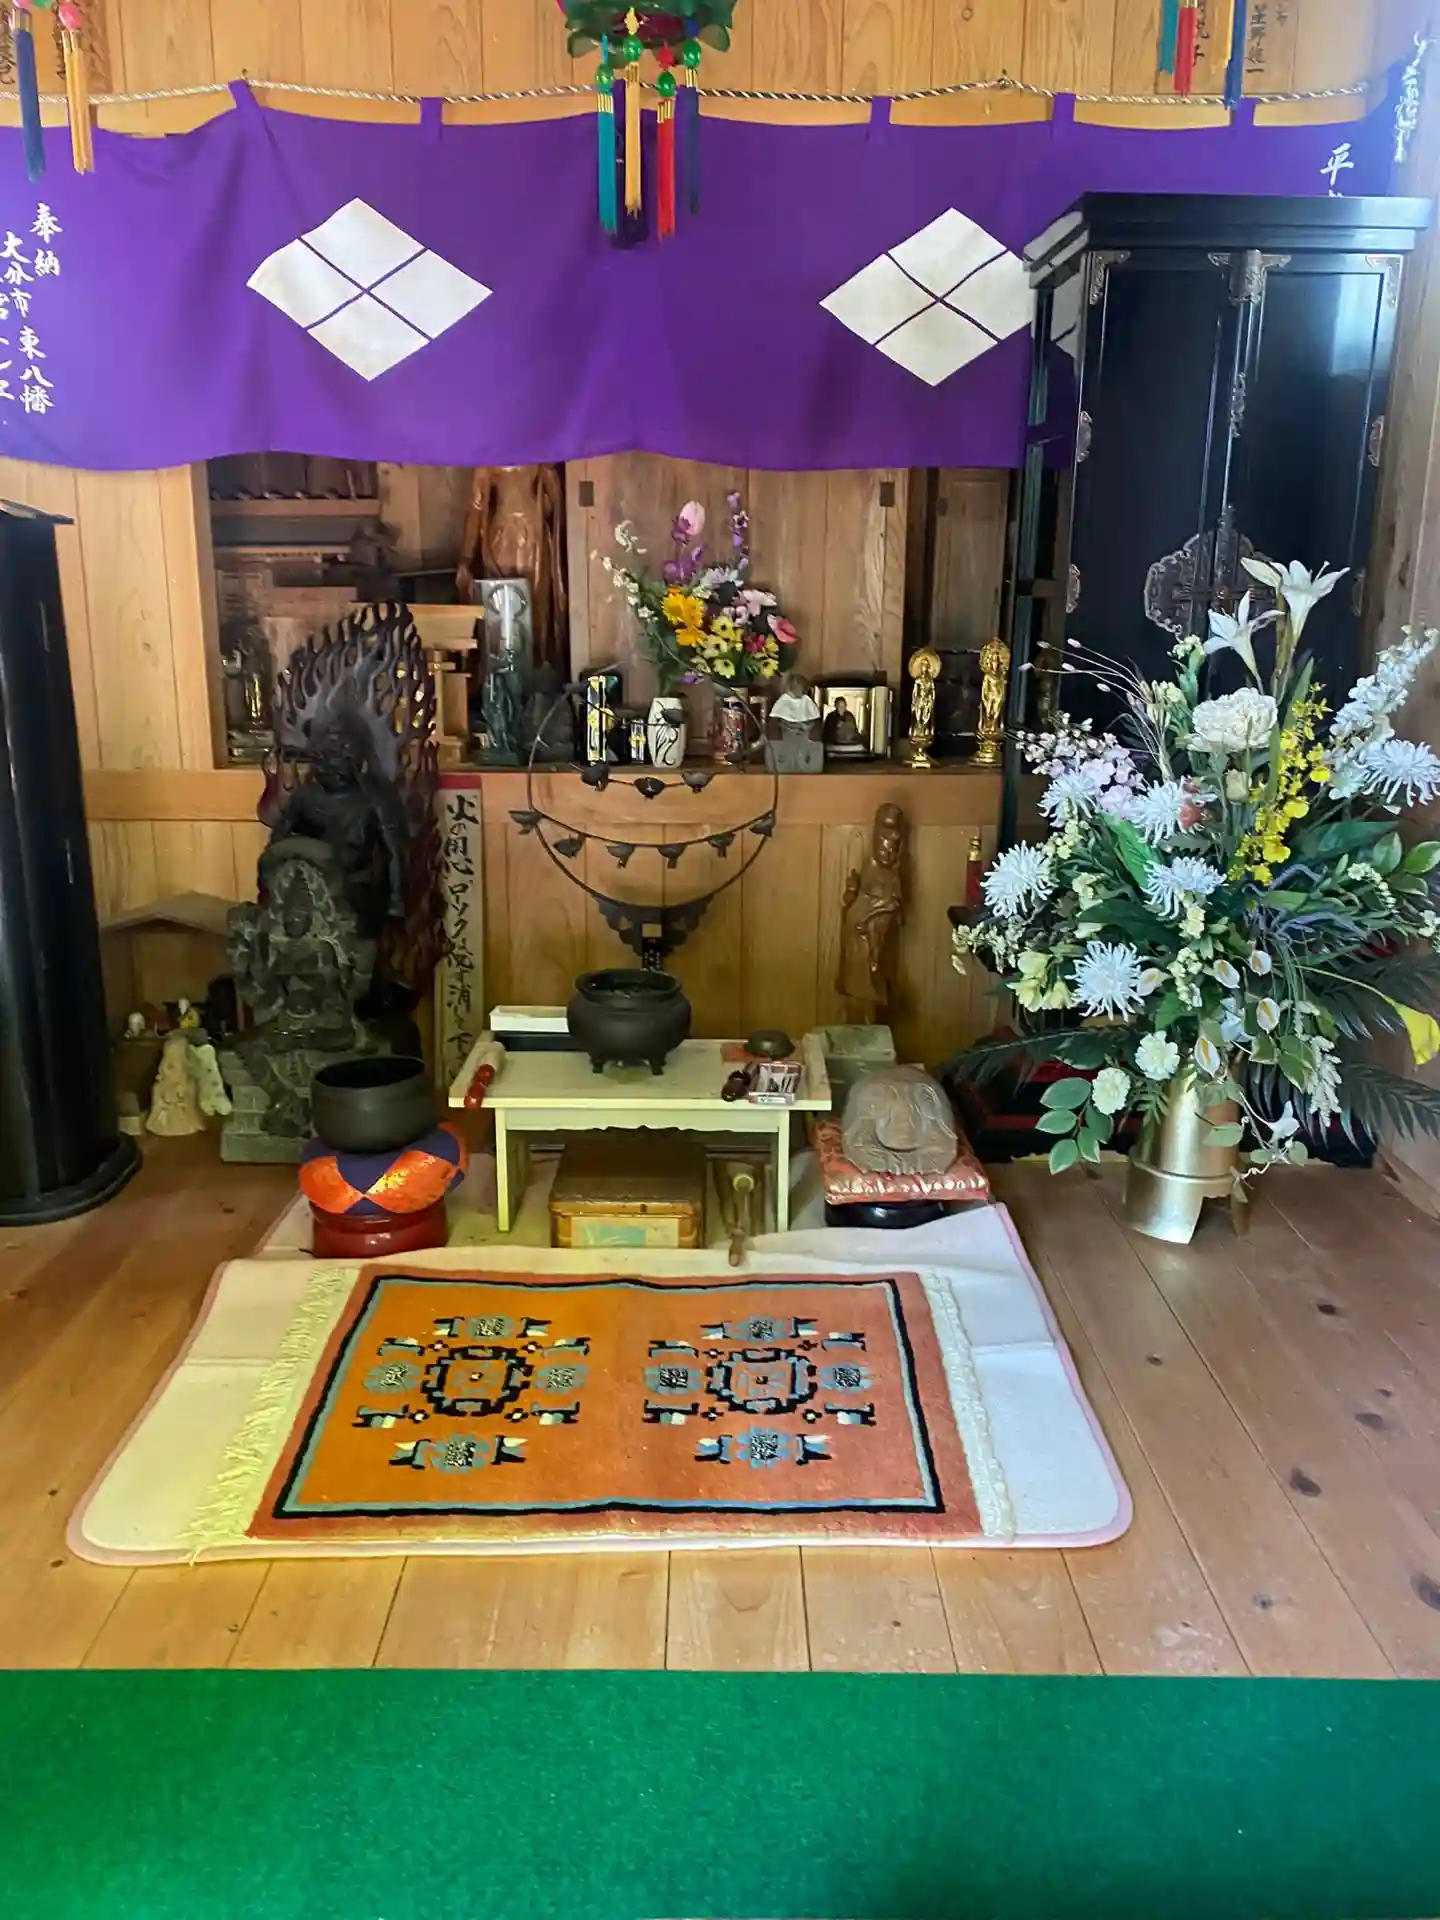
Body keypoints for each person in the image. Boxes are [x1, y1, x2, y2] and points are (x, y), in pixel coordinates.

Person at [836, 803, 906, 1012]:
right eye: (883, 845)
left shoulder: (891, 876)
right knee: (855, 977)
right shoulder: (869, 868)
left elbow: (895, 908)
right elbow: (850, 903)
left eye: (894, 849)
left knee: (872, 971)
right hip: (856, 935)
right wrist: (852, 892)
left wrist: (868, 918)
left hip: (871, 933)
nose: (889, 851)